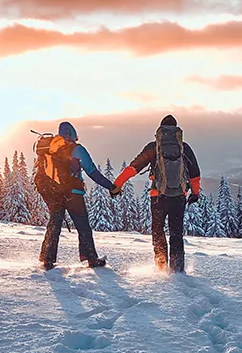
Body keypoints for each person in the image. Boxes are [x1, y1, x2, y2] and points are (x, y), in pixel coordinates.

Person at [113, 115, 201, 273]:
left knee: (158, 230)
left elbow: (134, 167)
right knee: (176, 233)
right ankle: (177, 269)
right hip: (179, 196)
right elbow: (195, 174)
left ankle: (161, 267)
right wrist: (195, 193)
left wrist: (117, 185)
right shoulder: (184, 148)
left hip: (158, 197)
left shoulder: (154, 147)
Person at [38, 122, 121, 270]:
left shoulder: (51, 149)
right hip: (73, 194)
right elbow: (92, 172)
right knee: (83, 227)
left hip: (55, 194)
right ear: (73, 134)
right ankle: (92, 259)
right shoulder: (77, 149)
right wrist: (112, 187)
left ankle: (47, 260)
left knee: (54, 225)